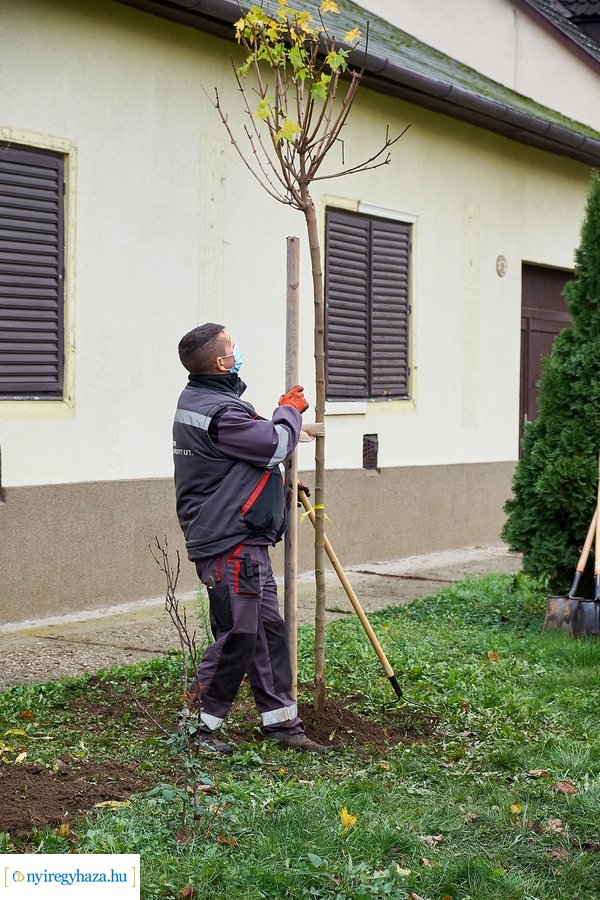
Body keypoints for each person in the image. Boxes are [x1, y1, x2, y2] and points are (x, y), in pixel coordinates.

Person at [173, 323, 329, 754]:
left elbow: (235, 466)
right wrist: (289, 410)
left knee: (266, 631)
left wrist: (277, 486)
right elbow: (275, 444)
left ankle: (282, 724)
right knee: (238, 636)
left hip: (242, 538)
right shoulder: (221, 413)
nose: (237, 351)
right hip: (230, 542)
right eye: (232, 347)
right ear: (221, 362)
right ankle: (195, 728)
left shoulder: (207, 401)